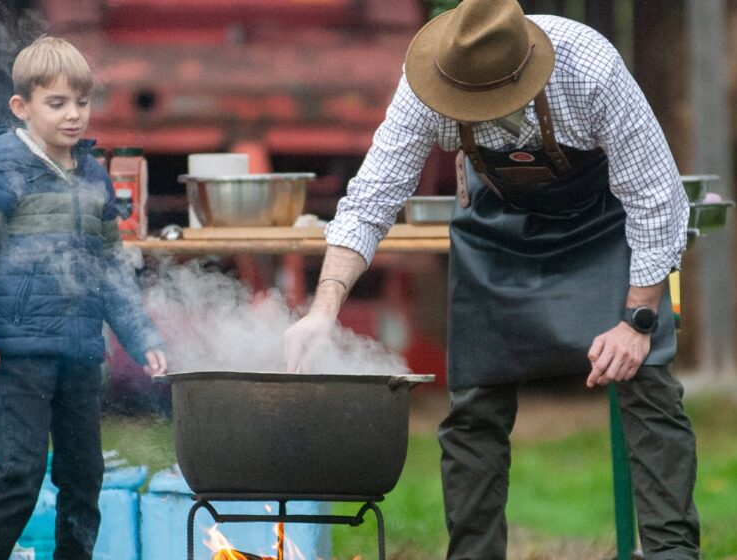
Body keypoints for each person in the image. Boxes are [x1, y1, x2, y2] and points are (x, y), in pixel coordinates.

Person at [284, 0, 698, 557]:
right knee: (473, 410)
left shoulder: (591, 70)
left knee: (649, 389)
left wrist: (636, 321)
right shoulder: (428, 81)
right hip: (497, 230)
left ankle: (674, 553)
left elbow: (656, 199)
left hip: (601, 227)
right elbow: (369, 202)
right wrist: (322, 310)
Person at [0, 36, 168, 558]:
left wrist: (141, 335)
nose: (74, 116)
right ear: (22, 107)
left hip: (80, 354)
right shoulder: (1, 171)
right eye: (58, 103)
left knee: (83, 479)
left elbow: (110, 268)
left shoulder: (92, 174)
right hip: (19, 353)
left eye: (82, 103)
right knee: (18, 478)